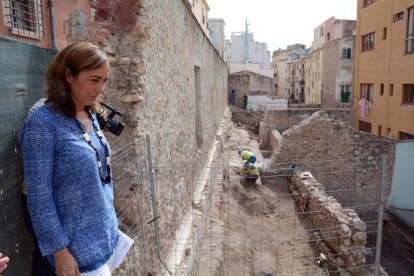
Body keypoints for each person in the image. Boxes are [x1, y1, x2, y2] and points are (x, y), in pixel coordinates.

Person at [19, 42, 118, 276]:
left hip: (103, 240)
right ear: (68, 76)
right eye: (94, 80)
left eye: (104, 81)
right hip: (74, 257)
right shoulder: (42, 125)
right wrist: (59, 252)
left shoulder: (89, 113)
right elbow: (39, 196)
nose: (101, 89)